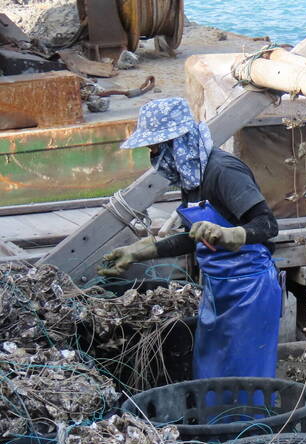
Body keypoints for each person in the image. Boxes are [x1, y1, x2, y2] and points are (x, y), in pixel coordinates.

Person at [98, 97, 282, 387]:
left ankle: (252, 430)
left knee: (246, 377)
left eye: (156, 148)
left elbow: (267, 225)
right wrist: (139, 251)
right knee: (210, 371)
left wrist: (232, 234)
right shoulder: (192, 176)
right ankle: (218, 428)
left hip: (250, 289)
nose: (153, 156)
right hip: (217, 288)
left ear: (178, 142)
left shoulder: (222, 171)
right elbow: (192, 238)